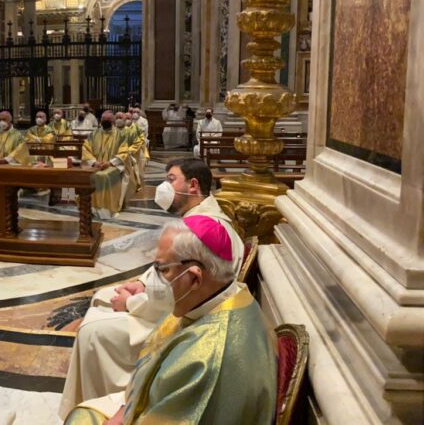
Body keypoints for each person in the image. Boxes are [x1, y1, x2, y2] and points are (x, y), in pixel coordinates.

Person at [60, 159, 242, 418]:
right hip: (176, 307)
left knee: (92, 331)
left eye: (171, 179)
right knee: (102, 298)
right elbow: (168, 272)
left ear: (192, 185)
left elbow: (175, 294)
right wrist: (142, 283)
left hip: (178, 318)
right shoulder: (202, 219)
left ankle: (103, 401)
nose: (164, 186)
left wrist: (131, 303)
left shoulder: (201, 228)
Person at [64, 214, 275, 425]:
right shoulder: (225, 295)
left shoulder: (205, 360)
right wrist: (124, 409)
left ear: (194, 278)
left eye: (163, 269)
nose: (154, 279)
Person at [80, 110, 134, 219]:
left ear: (113, 121)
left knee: (104, 176)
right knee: (89, 176)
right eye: (103, 119)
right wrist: (94, 162)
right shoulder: (93, 134)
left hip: (113, 165)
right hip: (95, 164)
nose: (105, 121)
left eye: (108, 120)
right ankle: (92, 207)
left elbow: (124, 153)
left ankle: (106, 209)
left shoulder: (121, 135)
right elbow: (86, 149)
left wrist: (109, 163)